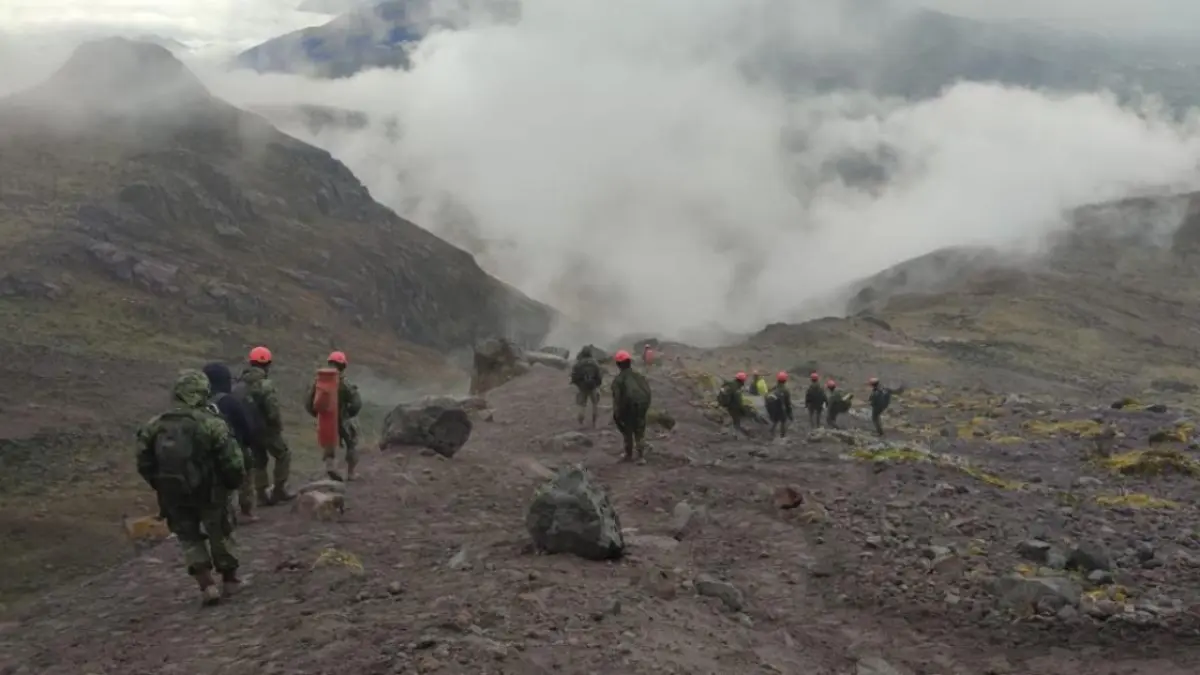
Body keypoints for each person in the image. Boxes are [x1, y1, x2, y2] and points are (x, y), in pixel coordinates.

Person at [136, 370, 244, 605]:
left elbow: (144, 462)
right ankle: (229, 580)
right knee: (220, 533)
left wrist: (160, 485)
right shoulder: (212, 423)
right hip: (210, 491)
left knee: (189, 538)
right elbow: (232, 461)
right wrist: (232, 483)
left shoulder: (154, 426)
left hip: (173, 493)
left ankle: (206, 585)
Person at [236, 346, 295, 505]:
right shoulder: (265, 385)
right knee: (283, 454)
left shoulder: (240, 383)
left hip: (249, 430)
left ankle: (261, 494)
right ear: (267, 364)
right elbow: (272, 411)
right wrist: (277, 426)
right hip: (267, 429)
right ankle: (279, 489)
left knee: (259, 461)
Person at [203, 362, 258, 524]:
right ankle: (245, 511)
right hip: (234, 449)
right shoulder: (230, 401)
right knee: (245, 478)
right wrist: (248, 443)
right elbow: (245, 426)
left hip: (208, 452)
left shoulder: (200, 402)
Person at [305, 351, 363, 481]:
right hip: (343, 419)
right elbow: (356, 402)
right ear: (343, 366)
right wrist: (350, 413)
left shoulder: (318, 382)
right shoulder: (343, 383)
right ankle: (351, 473)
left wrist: (318, 414)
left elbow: (309, 402)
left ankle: (330, 466)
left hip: (326, 418)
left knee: (329, 443)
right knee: (352, 443)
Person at [610, 350, 652, 463]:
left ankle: (628, 455)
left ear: (618, 364)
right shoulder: (639, 376)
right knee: (640, 431)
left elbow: (617, 399)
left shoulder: (618, 380)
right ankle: (641, 456)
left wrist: (617, 414)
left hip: (628, 409)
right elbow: (648, 391)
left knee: (627, 431)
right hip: (641, 407)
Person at [569, 346, 603, 428]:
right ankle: (594, 422)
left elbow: (574, 376)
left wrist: (577, 384)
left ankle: (581, 422)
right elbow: (599, 375)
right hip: (593, 386)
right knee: (595, 404)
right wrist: (597, 384)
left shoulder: (579, 364)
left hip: (582, 387)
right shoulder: (594, 363)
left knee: (582, 405)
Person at [765, 371, 794, 438]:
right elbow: (787, 404)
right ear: (785, 380)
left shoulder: (774, 388)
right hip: (779, 407)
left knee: (776, 420)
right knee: (783, 420)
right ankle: (782, 436)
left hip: (772, 407)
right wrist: (790, 414)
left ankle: (771, 432)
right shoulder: (785, 390)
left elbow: (767, 395)